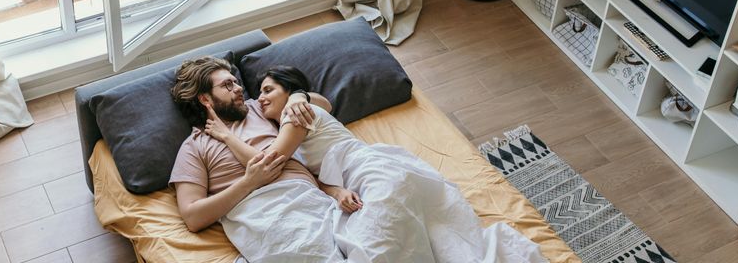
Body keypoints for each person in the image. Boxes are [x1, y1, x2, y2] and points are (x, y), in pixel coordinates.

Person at [203, 65, 549, 263]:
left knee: (374, 251)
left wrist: (226, 134)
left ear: (288, 90)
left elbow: (271, 162)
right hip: (357, 179)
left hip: (372, 170)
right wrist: (335, 191)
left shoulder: (297, 114)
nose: (259, 98)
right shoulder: (288, 123)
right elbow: (312, 170)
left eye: (267, 90)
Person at [168, 56, 354, 262]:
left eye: (236, 82)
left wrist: (298, 97)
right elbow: (193, 217)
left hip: (316, 200)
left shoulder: (259, 108)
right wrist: (250, 182)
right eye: (227, 85)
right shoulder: (194, 146)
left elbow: (323, 107)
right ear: (205, 99)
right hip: (265, 214)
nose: (238, 88)